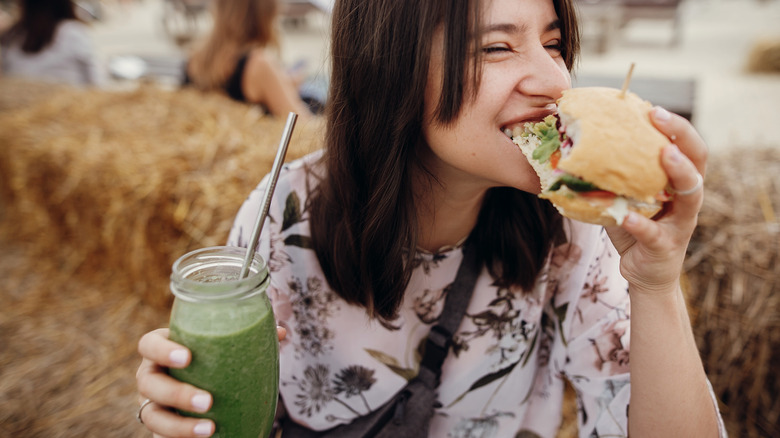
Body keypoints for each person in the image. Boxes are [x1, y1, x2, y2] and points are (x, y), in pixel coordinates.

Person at [136, 0, 728, 436]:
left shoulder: (571, 225)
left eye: (552, 43)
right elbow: (235, 415)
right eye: (498, 47)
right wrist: (183, 413)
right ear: (392, 69)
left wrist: (654, 279)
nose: (556, 81)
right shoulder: (284, 215)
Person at [182, 0, 316, 119]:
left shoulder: (194, 58)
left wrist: (281, 83)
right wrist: (288, 89)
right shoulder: (259, 63)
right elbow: (302, 125)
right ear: (265, 13)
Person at [0, 0, 101, 86]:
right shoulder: (72, 32)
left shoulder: (12, 36)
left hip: (21, 106)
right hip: (68, 105)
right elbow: (95, 80)